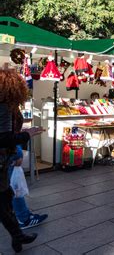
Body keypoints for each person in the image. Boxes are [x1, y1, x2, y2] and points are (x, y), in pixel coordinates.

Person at [0, 69, 40, 252]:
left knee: (6, 198)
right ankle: (18, 235)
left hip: (3, 161)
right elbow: (4, 138)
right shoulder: (4, 107)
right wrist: (27, 134)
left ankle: (18, 236)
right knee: (3, 201)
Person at [9, 109, 48, 229]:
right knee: (15, 189)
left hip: (9, 158)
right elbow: (6, 136)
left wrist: (25, 133)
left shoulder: (7, 108)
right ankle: (23, 219)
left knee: (13, 189)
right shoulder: (5, 109)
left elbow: (9, 134)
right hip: (9, 159)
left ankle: (20, 215)